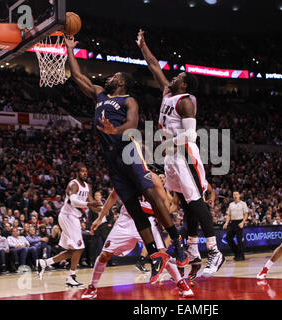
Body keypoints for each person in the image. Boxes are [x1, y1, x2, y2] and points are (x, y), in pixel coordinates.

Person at [62, 36, 188, 283]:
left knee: (150, 193)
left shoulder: (128, 100)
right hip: (111, 159)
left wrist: (114, 130)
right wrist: (69, 50)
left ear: (120, 81)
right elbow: (78, 77)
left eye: (112, 77)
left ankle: (178, 241)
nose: (106, 79)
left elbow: (132, 125)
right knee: (132, 205)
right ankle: (155, 254)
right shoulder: (99, 94)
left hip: (129, 150)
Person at [137, 29, 224, 277]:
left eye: (179, 76)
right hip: (170, 157)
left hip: (184, 153)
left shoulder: (186, 100)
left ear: (184, 84)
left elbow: (189, 136)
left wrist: (165, 142)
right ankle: (194, 250)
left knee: (197, 201)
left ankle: (215, 252)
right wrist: (142, 45)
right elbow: (154, 66)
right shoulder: (168, 93)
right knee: (186, 204)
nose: (173, 77)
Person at [81, 171, 194, 299]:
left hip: (148, 220)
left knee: (161, 255)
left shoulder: (153, 178)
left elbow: (164, 202)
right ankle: (92, 287)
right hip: (126, 219)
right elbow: (113, 196)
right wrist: (100, 218)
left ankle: (181, 283)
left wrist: (163, 220)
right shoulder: (124, 175)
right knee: (105, 255)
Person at [36, 165, 102, 287]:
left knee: (72, 250)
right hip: (67, 216)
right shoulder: (73, 184)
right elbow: (73, 201)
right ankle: (71, 276)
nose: (85, 173)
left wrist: (102, 209)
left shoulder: (88, 187)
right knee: (80, 247)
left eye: (86, 171)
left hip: (74, 217)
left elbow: (92, 204)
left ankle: (44, 263)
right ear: (77, 173)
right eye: (82, 171)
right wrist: (89, 203)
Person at [223, 191, 250, 261]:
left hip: (239, 222)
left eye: (236, 194)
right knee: (228, 238)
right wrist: (226, 223)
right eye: (234, 194)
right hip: (232, 222)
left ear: (239, 195)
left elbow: (246, 214)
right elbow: (229, 215)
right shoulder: (231, 204)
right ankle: (237, 253)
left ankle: (241, 255)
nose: (235, 196)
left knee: (239, 240)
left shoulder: (243, 204)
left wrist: (243, 223)